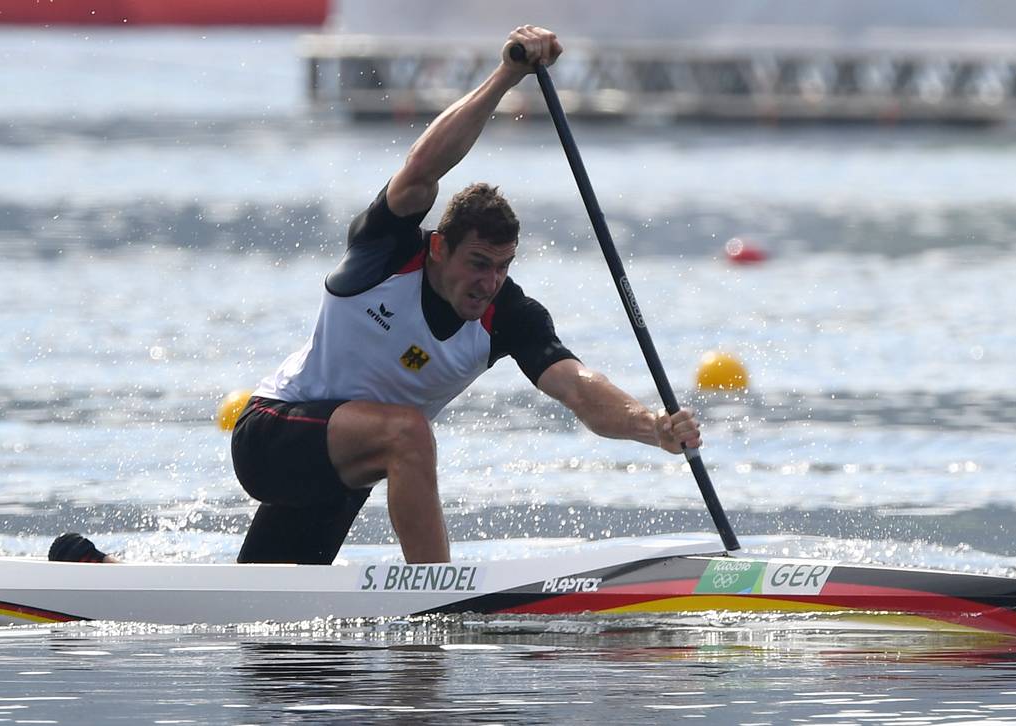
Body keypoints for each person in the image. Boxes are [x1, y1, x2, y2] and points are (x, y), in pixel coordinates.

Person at [226, 25, 700, 565]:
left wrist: (653, 427)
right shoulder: (386, 249)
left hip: (343, 466)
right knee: (409, 433)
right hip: (272, 433)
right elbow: (423, 166)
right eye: (478, 263)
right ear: (438, 249)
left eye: (502, 267)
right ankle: (438, 595)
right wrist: (507, 76)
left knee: (273, 614)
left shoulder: (508, 315)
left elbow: (578, 387)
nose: (489, 281)